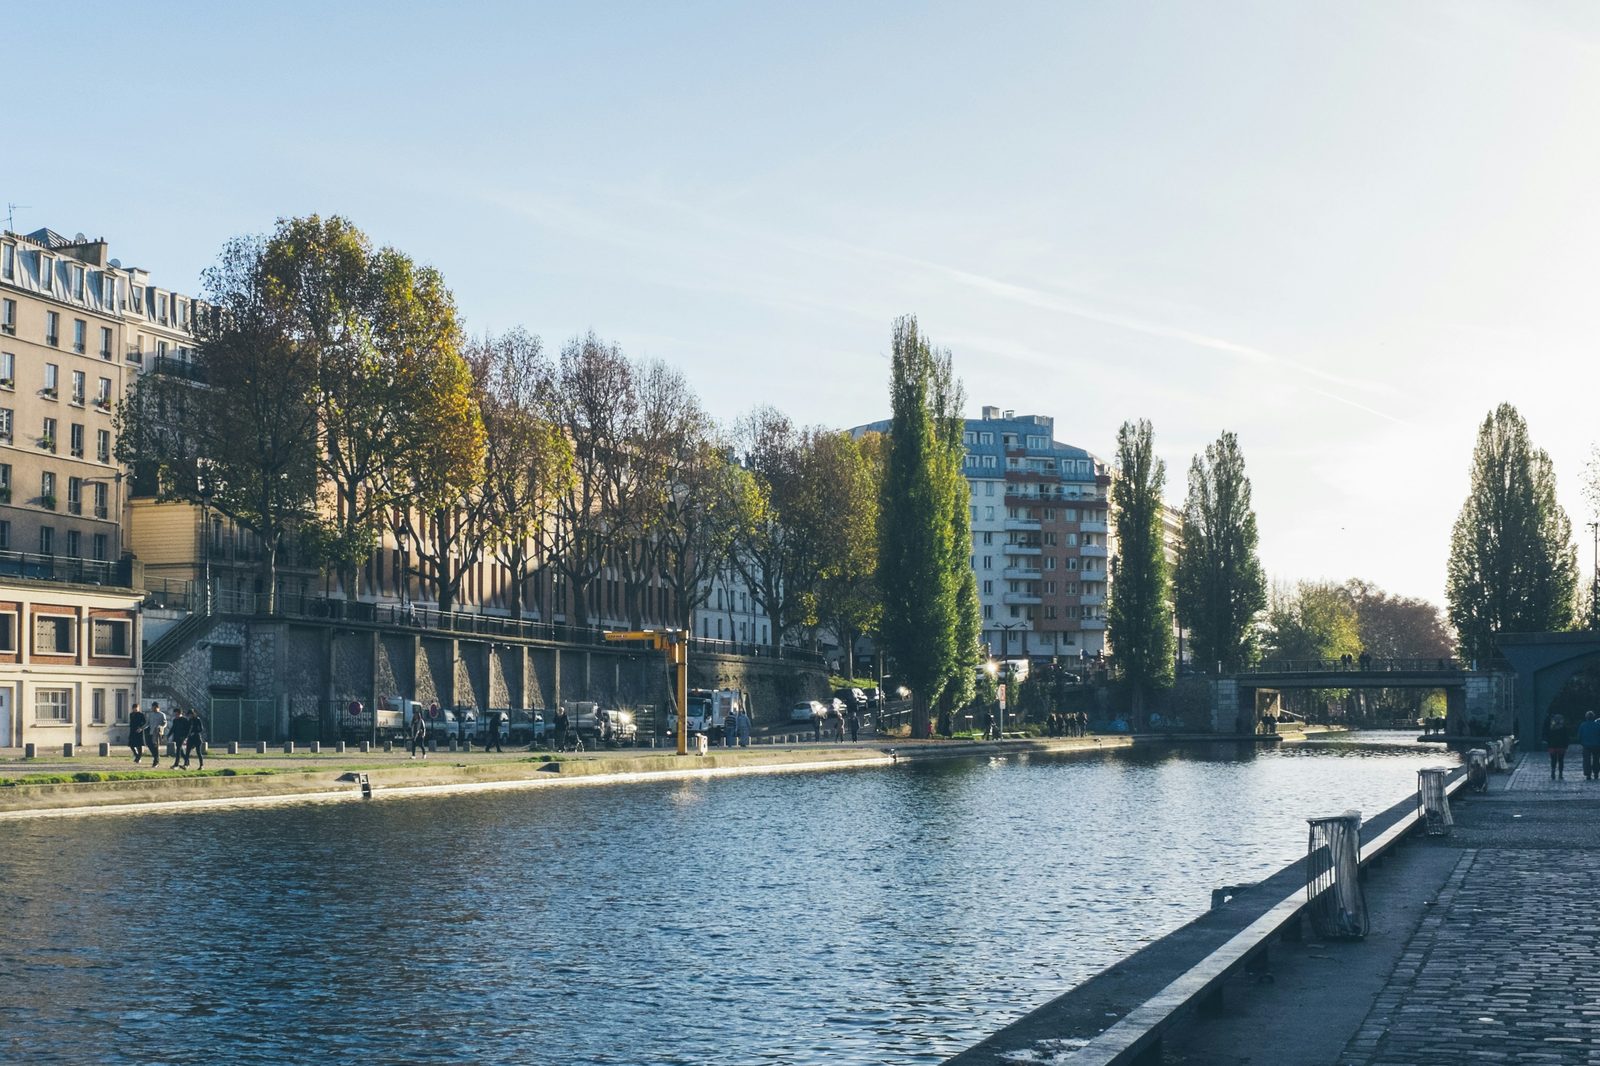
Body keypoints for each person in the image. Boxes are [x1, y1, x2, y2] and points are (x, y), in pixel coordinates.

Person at [1546, 713, 1572, 780]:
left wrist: (1548, 745)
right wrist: (1566, 745)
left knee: (1553, 760)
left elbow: (1547, 737)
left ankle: (1553, 772)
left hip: (1552, 746)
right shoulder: (1563, 728)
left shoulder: (1551, 728)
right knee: (1561, 760)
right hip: (1561, 747)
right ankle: (1560, 774)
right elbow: (1566, 737)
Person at [1579, 711, 1600, 782]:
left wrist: (1581, 742)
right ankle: (1596, 773)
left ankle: (1588, 774)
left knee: (1586, 760)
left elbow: (1580, 735)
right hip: (1596, 745)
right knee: (1596, 760)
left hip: (1586, 745)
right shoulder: (1597, 725)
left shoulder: (1583, 725)